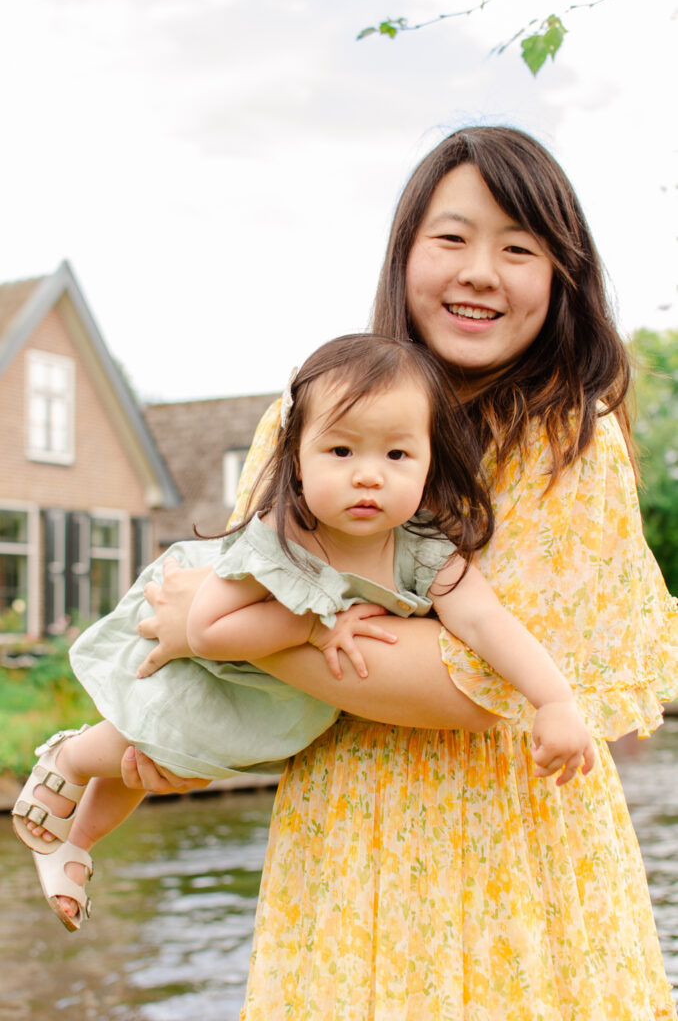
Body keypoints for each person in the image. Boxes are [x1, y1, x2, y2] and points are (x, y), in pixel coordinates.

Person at [122, 125, 678, 1020]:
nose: (480, 272)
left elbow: (472, 683)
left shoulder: (569, 442)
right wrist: (207, 644)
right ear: (404, 253)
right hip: (344, 842)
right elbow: (219, 658)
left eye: (519, 248)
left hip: (519, 856)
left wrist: (230, 625)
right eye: (451, 238)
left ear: (560, 277)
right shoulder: (304, 415)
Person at [12, 333, 595, 933]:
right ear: (296, 459)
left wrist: (553, 699)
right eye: (341, 451)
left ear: (429, 461)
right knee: (143, 738)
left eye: (397, 456)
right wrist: (315, 627)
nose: (368, 476)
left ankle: (76, 842)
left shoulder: (425, 554)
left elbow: (487, 621)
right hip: (220, 677)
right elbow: (207, 630)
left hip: (273, 711)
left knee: (146, 756)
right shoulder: (281, 540)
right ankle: (70, 756)